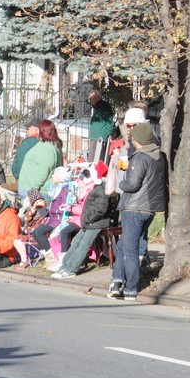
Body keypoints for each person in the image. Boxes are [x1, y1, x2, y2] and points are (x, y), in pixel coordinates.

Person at [108, 122, 167, 301]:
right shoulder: (158, 156)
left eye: (133, 138)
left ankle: (131, 289)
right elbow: (140, 173)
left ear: (139, 140)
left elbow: (132, 183)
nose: (131, 141)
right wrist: (123, 165)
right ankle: (116, 282)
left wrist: (121, 184)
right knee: (123, 246)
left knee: (130, 249)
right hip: (148, 208)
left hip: (133, 207)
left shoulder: (140, 157)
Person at [52, 163, 116, 279]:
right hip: (89, 221)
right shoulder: (98, 188)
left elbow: (100, 210)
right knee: (76, 241)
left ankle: (71, 269)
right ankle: (65, 265)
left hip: (96, 222)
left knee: (83, 244)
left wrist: (87, 219)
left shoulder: (102, 190)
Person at [17, 118, 63, 199]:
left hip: (34, 191)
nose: (37, 132)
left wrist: (32, 193)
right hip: (36, 189)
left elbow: (43, 170)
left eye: (39, 130)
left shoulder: (47, 148)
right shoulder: (54, 145)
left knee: (32, 211)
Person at [87, 90, 116, 162]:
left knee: (96, 161)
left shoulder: (103, 108)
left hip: (100, 138)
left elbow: (110, 124)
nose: (90, 101)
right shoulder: (99, 107)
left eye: (91, 98)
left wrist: (107, 134)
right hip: (96, 138)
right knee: (93, 160)